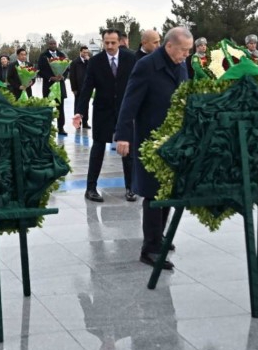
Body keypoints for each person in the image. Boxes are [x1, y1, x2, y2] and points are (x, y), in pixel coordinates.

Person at [115, 27, 192, 270]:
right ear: (169, 46)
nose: (186, 55)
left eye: (188, 51)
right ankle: (150, 248)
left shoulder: (180, 65)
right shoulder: (146, 66)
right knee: (152, 192)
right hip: (150, 139)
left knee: (167, 189)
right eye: (183, 50)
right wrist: (123, 135)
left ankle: (159, 237)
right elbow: (129, 101)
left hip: (173, 140)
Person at [73, 29, 137, 203]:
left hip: (124, 111)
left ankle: (131, 188)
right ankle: (90, 188)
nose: (109, 46)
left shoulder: (130, 59)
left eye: (113, 43)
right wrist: (79, 111)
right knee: (98, 149)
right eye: (106, 42)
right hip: (102, 111)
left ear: (120, 42)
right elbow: (87, 88)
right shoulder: (95, 61)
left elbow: (137, 84)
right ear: (103, 42)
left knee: (127, 150)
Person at [38, 38, 68, 135]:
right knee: (48, 107)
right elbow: (40, 70)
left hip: (60, 86)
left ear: (56, 44)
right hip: (48, 86)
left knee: (60, 108)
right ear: (48, 45)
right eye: (51, 43)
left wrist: (63, 77)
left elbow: (67, 68)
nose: (53, 45)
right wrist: (51, 77)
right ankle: (47, 127)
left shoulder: (61, 54)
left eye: (54, 43)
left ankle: (61, 128)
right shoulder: (43, 56)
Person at [69, 46, 91, 129]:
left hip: (87, 88)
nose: (85, 54)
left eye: (87, 52)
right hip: (78, 88)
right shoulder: (75, 62)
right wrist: (73, 88)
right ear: (80, 52)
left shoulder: (89, 62)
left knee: (86, 105)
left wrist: (89, 61)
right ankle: (78, 122)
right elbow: (72, 76)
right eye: (84, 52)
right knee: (78, 105)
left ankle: (85, 122)